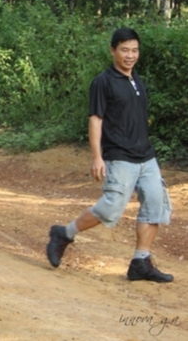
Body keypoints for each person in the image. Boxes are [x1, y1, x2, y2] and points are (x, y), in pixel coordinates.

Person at [46, 28, 173, 282]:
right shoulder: (103, 81)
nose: (130, 55)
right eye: (124, 50)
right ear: (112, 50)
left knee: (156, 206)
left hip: (146, 157)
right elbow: (96, 119)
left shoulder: (137, 80)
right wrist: (97, 157)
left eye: (134, 50)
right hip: (119, 156)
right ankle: (65, 233)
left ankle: (140, 262)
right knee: (111, 208)